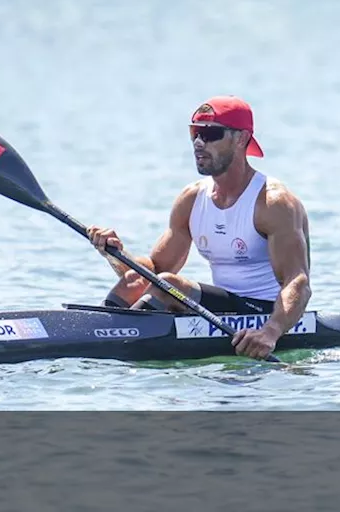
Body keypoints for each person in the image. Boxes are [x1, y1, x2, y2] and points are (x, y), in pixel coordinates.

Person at [85, 95, 312, 361]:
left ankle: (107, 347)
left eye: (211, 133)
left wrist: (271, 332)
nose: (199, 143)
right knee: (135, 279)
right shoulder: (192, 199)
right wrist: (114, 253)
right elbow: (153, 271)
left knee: (168, 284)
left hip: (265, 313)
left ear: (241, 139)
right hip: (222, 310)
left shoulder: (273, 203)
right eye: (195, 133)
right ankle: (93, 334)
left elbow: (298, 282)